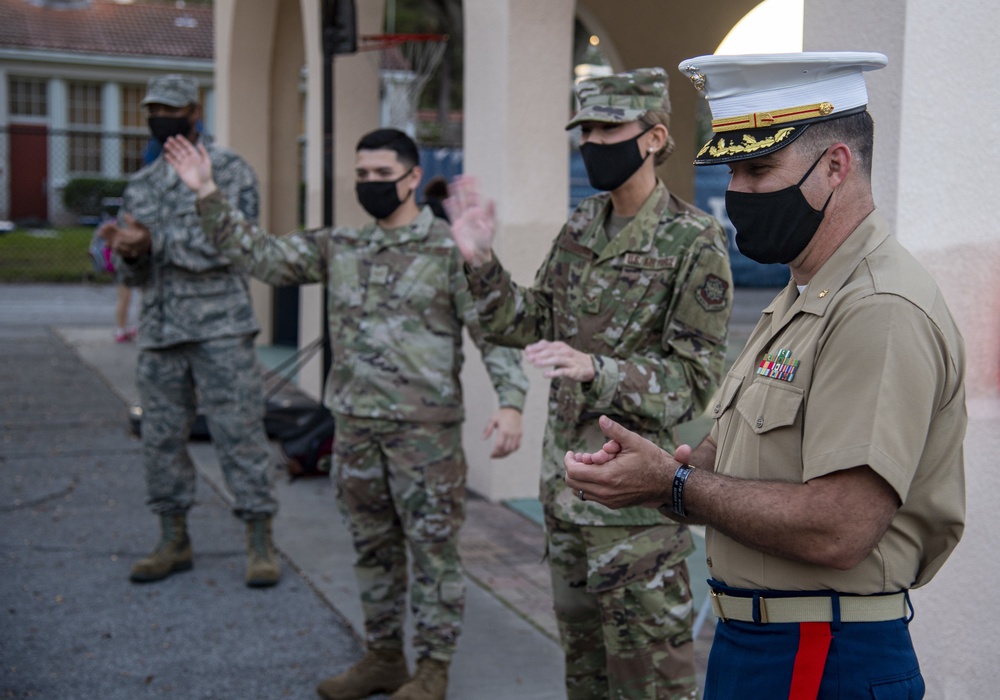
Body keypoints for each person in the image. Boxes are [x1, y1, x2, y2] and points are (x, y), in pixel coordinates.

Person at [564, 52, 967, 698]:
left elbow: (840, 525)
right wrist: (663, 475)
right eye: (733, 170)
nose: (738, 193)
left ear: (835, 165)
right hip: (759, 644)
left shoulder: (877, 309)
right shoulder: (803, 292)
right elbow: (740, 463)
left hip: (823, 653)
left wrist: (677, 486)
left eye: (758, 169)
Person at [161, 127, 529, 700]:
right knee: (371, 549)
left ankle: (432, 671)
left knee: (433, 555)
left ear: (411, 177)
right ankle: (383, 657)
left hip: (424, 440)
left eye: (382, 175)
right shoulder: (342, 245)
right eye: (362, 176)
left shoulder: (450, 247)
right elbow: (261, 255)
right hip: (355, 433)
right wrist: (207, 191)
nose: (371, 185)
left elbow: (495, 331)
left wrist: (510, 403)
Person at [446, 68, 732, 700]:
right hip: (567, 493)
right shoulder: (581, 225)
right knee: (586, 681)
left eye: (609, 129)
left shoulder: (693, 240)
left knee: (650, 686)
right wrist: (480, 260)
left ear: (655, 137)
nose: (593, 143)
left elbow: (695, 381)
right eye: (586, 131)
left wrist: (595, 368)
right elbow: (522, 322)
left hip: (634, 512)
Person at [98, 74, 282, 589]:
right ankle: (172, 537)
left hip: (220, 328)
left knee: (240, 434)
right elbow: (136, 273)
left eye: (171, 109)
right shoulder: (143, 184)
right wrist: (128, 254)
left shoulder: (228, 172)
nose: (162, 117)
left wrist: (154, 241)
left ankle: (260, 540)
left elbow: (235, 246)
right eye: (154, 109)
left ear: (195, 111)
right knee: (159, 440)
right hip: (160, 331)